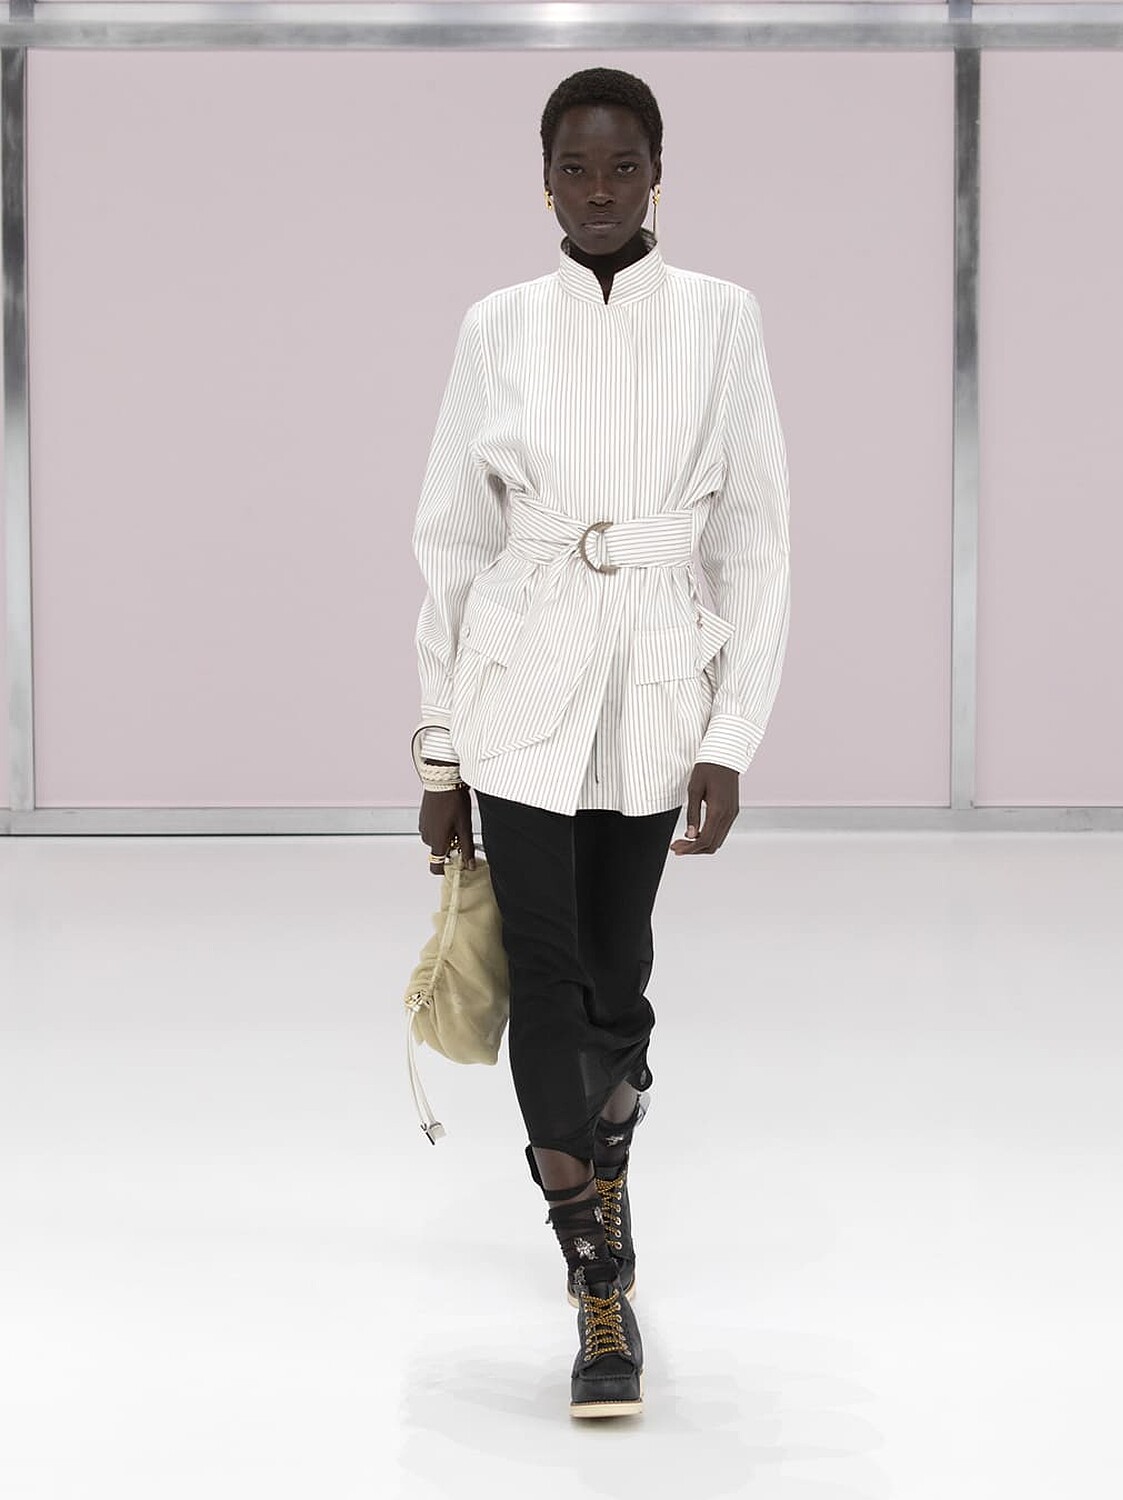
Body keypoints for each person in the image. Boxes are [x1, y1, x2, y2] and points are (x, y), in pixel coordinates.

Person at [410, 66, 790, 1419]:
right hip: (521, 680)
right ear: (544, 181)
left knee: (619, 979)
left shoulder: (720, 319)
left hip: (654, 686)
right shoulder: (499, 326)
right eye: (575, 167)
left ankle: (606, 1161)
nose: (599, 190)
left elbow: (754, 536)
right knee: (545, 973)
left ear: (658, 175)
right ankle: (594, 1275)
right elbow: (453, 540)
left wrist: (733, 731)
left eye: (623, 166)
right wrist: (441, 752)